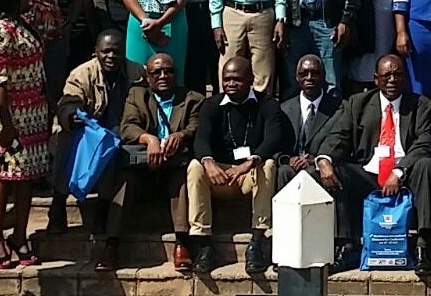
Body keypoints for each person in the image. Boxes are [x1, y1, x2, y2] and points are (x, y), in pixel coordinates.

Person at [318, 54, 431, 276]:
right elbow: (339, 136)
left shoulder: (420, 104)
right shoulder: (358, 103)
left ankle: (422, 245)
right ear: (376, 79)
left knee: (425, 164)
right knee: (338, 171)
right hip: (370, 172)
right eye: (387, 75)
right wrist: (325, 159)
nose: (392, 80)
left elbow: (424, 143)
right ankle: (347, 245)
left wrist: (399, 171)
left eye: (398, 75)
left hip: (405, 172)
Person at [51, 31, 144, 268]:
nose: (111, 56)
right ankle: (58, 204)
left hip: (122, 134)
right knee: (65, 141)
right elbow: (68, 102)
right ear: (96, 52)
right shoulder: (82, 73)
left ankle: (103, 208)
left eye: (116, 51)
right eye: (106, 51)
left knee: (117, 152)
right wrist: (71, 116)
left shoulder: (137, 72)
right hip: (90, 132)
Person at [188, 56, 285, 274]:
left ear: (251, 79)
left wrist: (249, 163)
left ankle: (257, 242)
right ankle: (203, 244)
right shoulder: (212, 105)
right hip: (220, 174)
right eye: (227, 79)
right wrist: (209, 162)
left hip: (249, 174)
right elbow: (201, 139)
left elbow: (274, 138)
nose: (231, 84)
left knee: (268, 165)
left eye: (237, 79)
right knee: (195, 167)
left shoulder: (267, 104)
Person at [0, 0, 50, 270]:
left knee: (27, 176)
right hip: (8, 112)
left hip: (33, 111)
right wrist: (5, 122)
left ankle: (20, 235)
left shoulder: (22, 24)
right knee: (3, 172)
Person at [116, 53, 204, 272]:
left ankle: (182, 242)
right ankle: (112, 243)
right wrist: (149, 139)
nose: (163, 76)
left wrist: (181, 135)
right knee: (124, 180)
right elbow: (127, 127)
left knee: (182, 181)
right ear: (147, 76)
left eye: (168, 71)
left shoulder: (193, 98)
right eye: (157, 72)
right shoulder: (136, 95)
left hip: (174, 165)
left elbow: (196, 125)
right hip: (143, 167)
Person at [277, 55, 341, 190]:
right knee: (283, 171)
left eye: (315, 73)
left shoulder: (338, 108)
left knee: (311, 173)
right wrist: (288, 159)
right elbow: (275, 142)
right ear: (297, 77)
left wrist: (316, 159)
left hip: (319, 166)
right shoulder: (284, 108)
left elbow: (339, 141)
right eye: (304, 73)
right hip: (292, 164)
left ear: (323, 76)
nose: (309, 78)